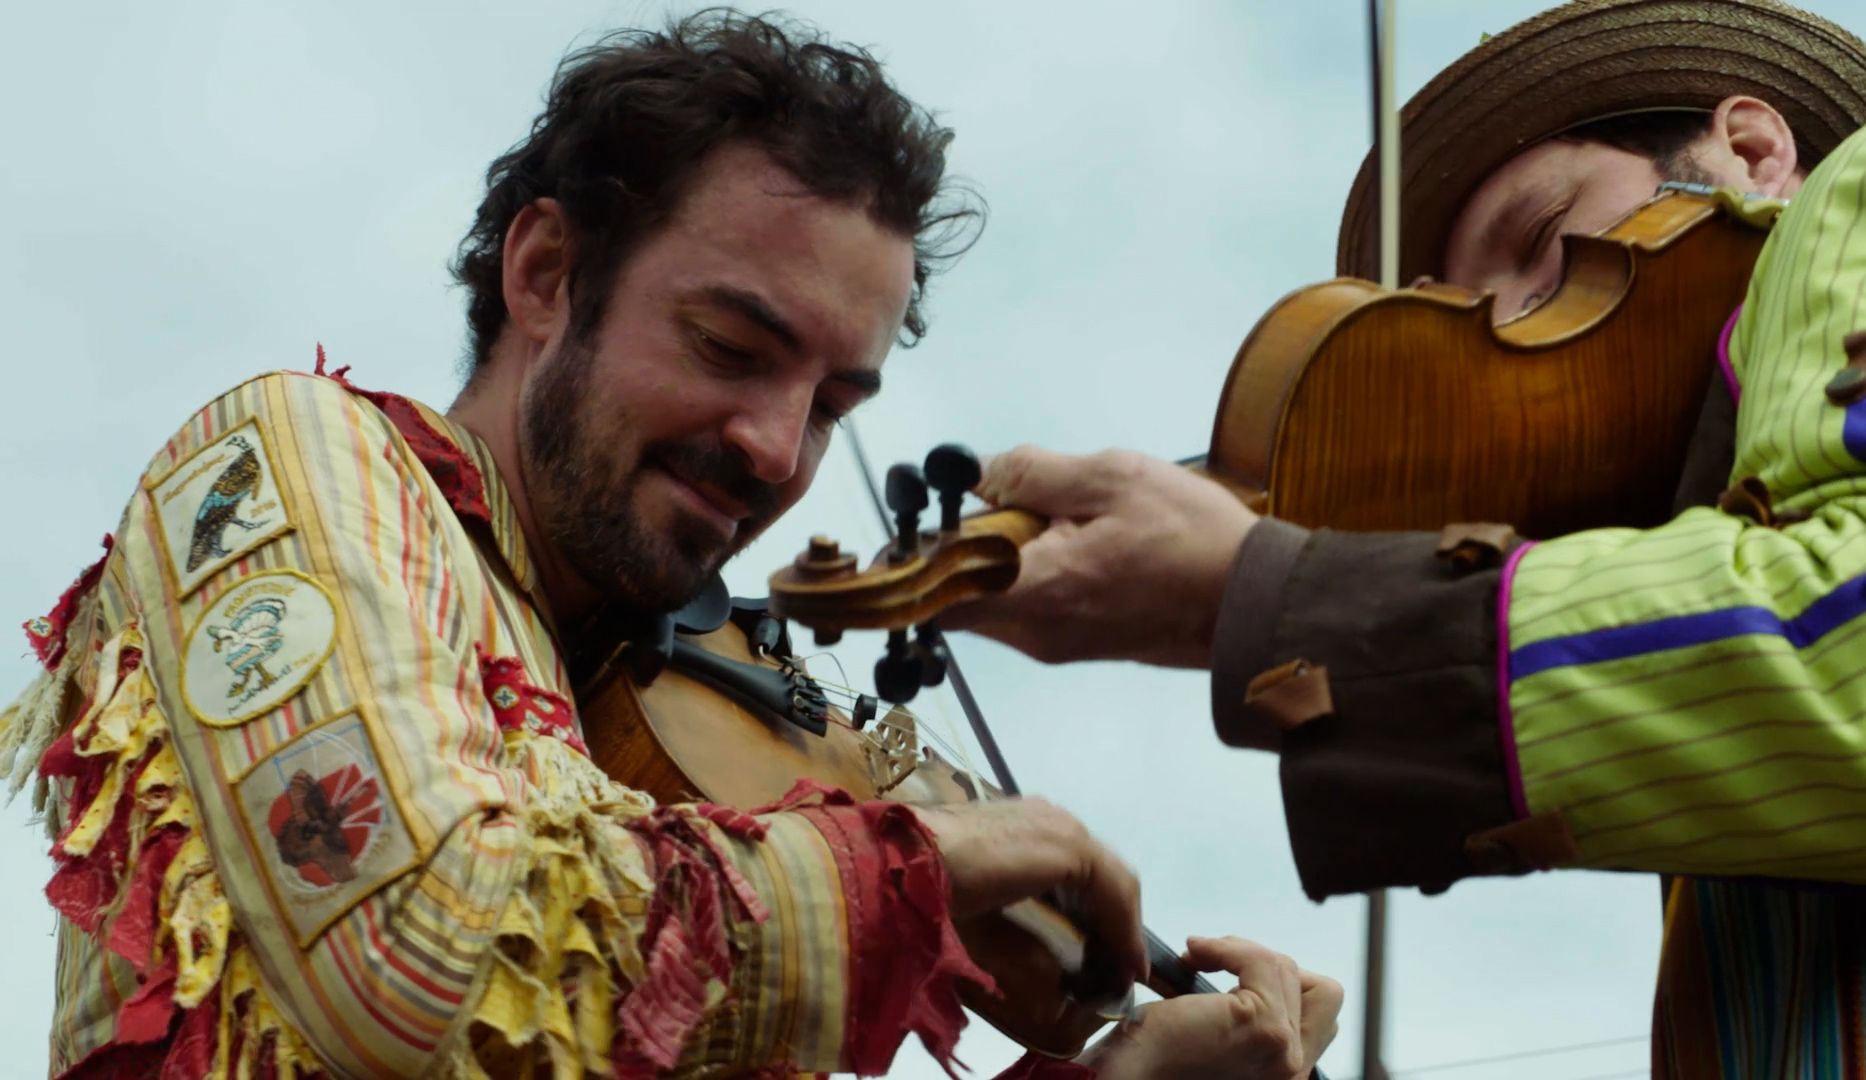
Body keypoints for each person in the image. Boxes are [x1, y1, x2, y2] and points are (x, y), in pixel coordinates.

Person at [0, 12, 1341, 1078]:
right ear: (544, 276)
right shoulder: (302, 457)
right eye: (731, 348)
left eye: (832, 404)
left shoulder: (688, 812)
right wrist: (926, 870)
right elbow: (425, 962)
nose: (775, 449)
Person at [945, 1, 1866, 1076]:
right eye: (1469, 310)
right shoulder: (1703, 708)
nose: (1512, 329)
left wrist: (1259, 591)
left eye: (1546, 241)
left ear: (1751, 151)